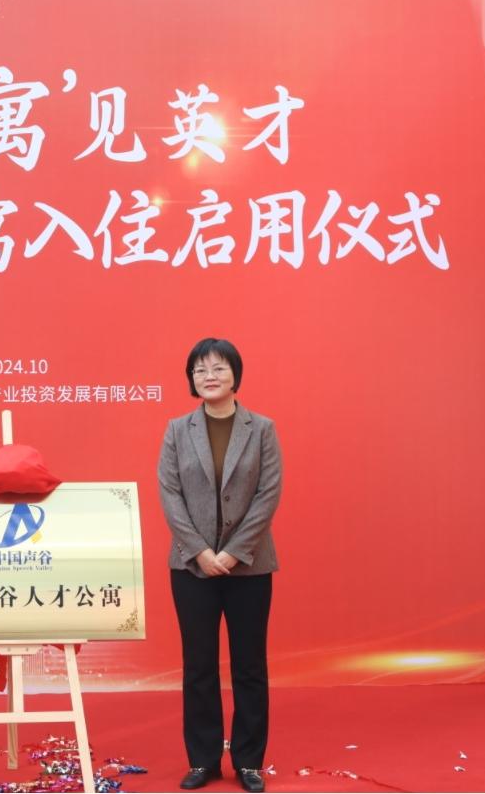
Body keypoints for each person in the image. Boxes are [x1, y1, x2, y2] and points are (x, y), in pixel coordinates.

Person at [157, 338, 282, 794]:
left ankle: (249, 761)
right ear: (192, 380)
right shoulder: (177, 430)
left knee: (249, 666)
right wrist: (200, 551)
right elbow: (170, 494)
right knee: (199, 666)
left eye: (218, 368)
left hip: (249, 566)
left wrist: (232, 552)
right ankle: (203, 759)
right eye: (200, 370)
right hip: (191, 568)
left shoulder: (261, 428)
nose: (209, 376)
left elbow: (268, 494)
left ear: (235, 375)